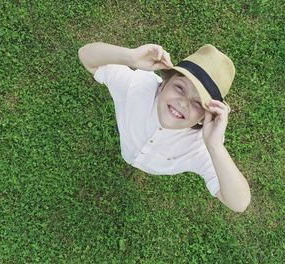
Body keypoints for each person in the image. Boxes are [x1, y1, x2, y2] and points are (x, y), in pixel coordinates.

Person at [78, 42, 251, 213]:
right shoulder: (137, 86)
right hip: (127, 134)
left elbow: (239, 203)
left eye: (198, 103)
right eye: (180, 88)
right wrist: (130, 57)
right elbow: (86, 55)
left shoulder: (201, 146)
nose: (183, 103)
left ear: (203, 118)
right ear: (163, 84)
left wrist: (215, 147)